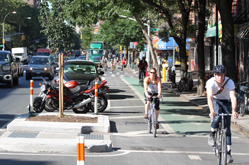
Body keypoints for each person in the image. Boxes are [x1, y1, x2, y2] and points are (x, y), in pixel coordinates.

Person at [206, 65, 238, 163]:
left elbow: (233, 97)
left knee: (227, 128)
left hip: (226, 102)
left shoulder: (230, 82)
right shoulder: (210, 82)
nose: (220, 77)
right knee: (216, 117)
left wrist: (234, 111)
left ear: (224, 75)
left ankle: (228, 152)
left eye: (222, 75)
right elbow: (210, 97)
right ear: (214, 75)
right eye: (218, 75)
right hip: (215, 101)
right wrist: (212, 111)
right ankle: (212, 133)